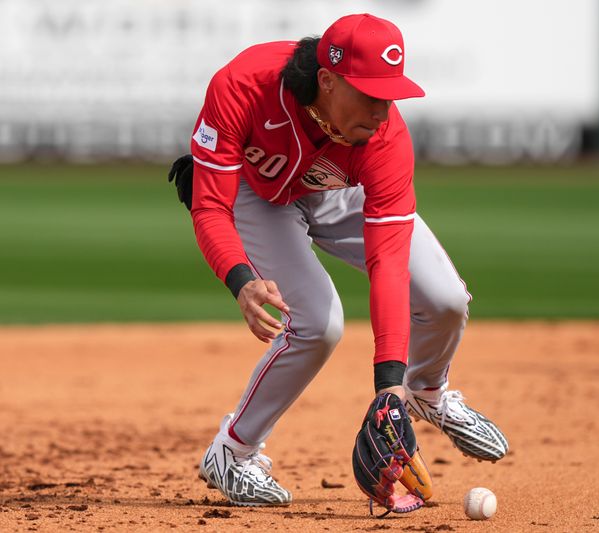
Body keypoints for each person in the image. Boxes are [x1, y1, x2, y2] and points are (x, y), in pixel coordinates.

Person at [171, 13, 509, 507]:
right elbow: (209, 206)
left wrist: (388, 387)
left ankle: (426, 392)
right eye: (370, 95)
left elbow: (389, 263)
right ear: (327, 82)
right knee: (318, 323)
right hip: (256, 195)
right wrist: (241, 279)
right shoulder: (243, 85)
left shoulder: (386, 138)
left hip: (332, 191)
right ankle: (233, 452)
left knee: (446, 300)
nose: (382, 110)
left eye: (389, 95)